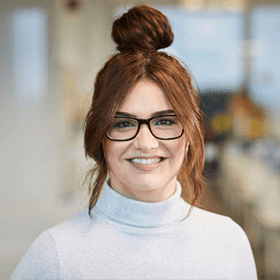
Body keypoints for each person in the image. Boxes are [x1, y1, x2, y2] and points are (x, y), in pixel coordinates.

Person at [10, 4, 257, 280]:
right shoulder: (56, 255)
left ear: (189, 134)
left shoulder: (229, 243)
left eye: (164, 121)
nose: (146, 143)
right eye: (123, 123)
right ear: (100, 136)